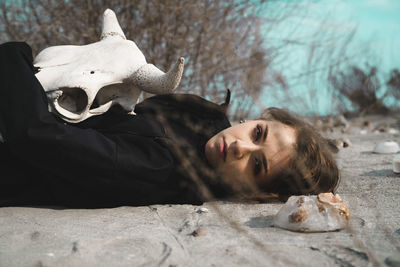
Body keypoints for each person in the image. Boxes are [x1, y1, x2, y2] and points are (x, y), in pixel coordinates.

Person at [0, 42, 339, 208]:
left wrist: (13, 55)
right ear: (255, 121)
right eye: (258, 134)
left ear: (257, 192)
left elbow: (36, 135)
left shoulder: (158, 167)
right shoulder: (204, 121)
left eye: (257, 163)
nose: (241, 146)